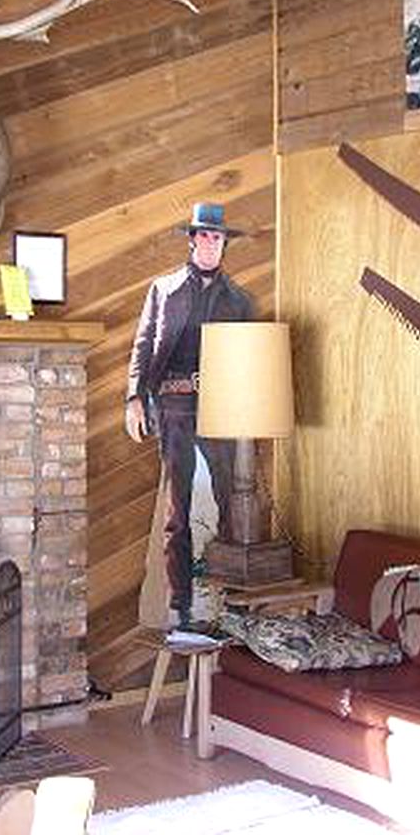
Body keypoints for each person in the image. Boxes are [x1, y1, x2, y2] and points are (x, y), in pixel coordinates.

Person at [126, 203, 254, 629]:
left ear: (224, 244)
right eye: (205, 236)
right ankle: (180, 604)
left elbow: (247, 358)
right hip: (173, 410)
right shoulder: (163, 291)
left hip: (220, 408)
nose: (212, 243)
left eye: (219, 238)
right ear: (192, 239)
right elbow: (143, 346)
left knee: (231, 503)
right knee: (176, 511)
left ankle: (232, 599)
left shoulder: (239, 300)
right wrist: (134, 398)